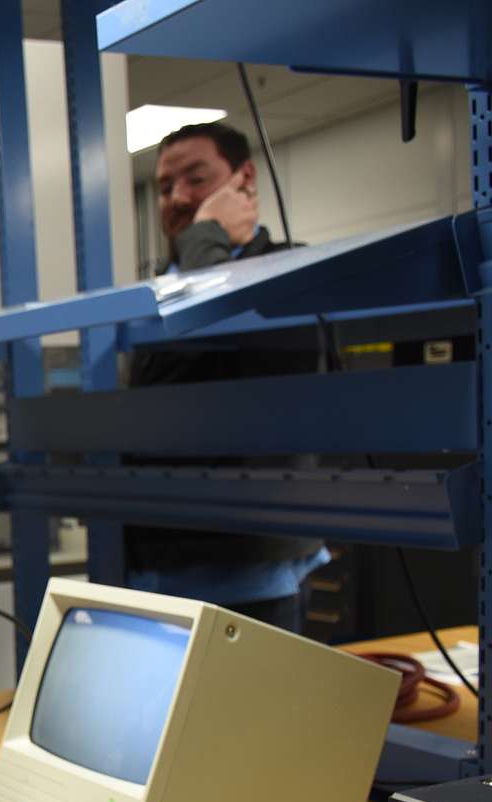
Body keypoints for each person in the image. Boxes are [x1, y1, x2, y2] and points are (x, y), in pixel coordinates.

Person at [124, 122, 327, 632]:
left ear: (245, 180)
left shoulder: (288, 269)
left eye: (196, 179)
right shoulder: (160, 288)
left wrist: (205, 239)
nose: (176, 198)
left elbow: (204, 344)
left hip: (245, 573)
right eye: (166, 187)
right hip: (154, 560)